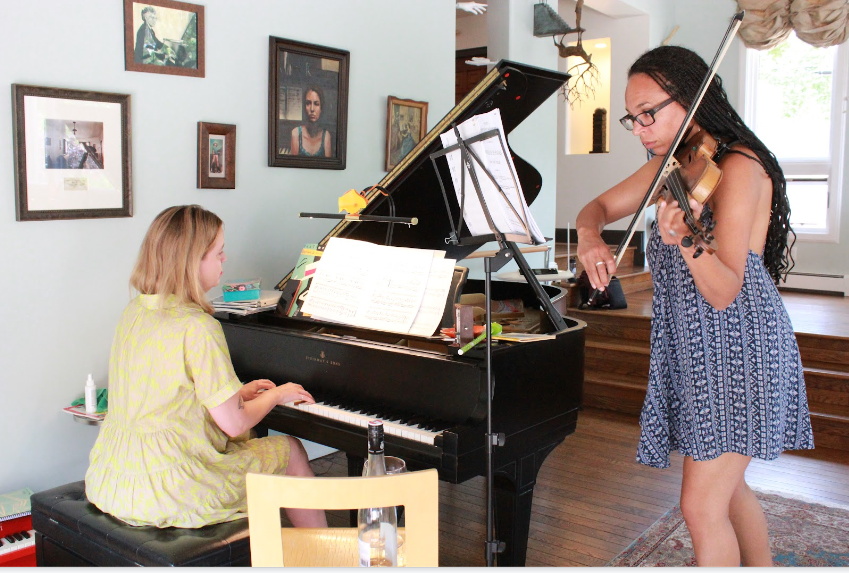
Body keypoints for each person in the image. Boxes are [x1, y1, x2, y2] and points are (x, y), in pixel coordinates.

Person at [575, 45, 813, 567]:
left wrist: (685, 240)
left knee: (700, 505)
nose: (639, 130)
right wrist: (589, 235)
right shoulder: (675, 164)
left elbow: (726, 289)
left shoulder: (740, 168)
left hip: (741, 349)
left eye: (648, 114)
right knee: (725, 491)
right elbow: (597, 207)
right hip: (696, 349)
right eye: (631, 118)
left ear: (688, 98)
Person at [85, 205, 327, 529]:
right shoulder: (198, 327)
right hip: (175, 491)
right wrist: (276, 396)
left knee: (249, 444)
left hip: (116, 479)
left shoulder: (135, 312)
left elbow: (165, 393)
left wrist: (236, 392)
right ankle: (322, 557)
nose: (224, 260)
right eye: (218, 253)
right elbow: (234, 424)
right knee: (291, 450)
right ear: (191, 261)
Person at [290, 86, 332, 157]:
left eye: (316, 104)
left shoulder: (326, 136)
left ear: (321, 108)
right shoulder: (296, 133)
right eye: (308, 103)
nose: (312, 109)